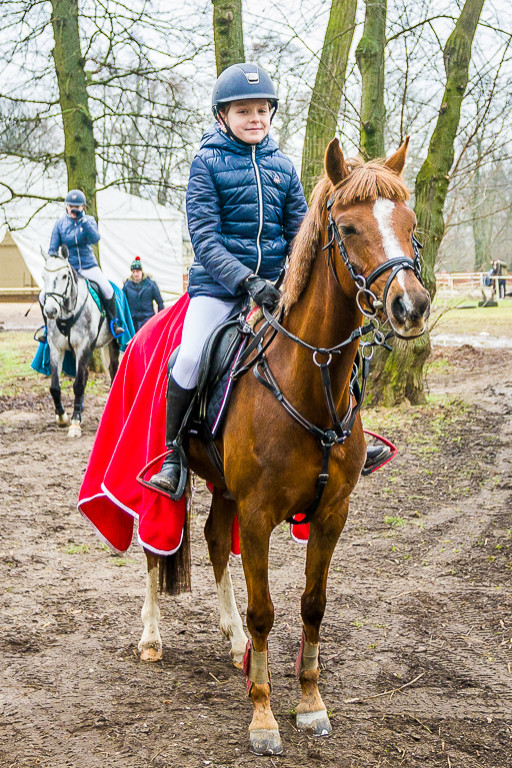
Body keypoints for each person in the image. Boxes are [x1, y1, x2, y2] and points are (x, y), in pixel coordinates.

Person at [148, 63, 390, 496]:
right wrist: (246, 281)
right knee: (189, 358)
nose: (254, 118)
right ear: (223, 116)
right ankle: (174, 454)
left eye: (261, 110)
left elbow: (303, 232)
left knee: (337, 344)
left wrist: (290, 280)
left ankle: (351, 432)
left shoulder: (282, 166)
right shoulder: (205, 163)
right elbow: (205, 238)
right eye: (243, 111)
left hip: (280, 288)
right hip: (219, 289)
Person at [38, 190, 124, 340]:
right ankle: (47, 329)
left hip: (88, 265)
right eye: (71, 206)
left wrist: (83, 222)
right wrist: (53, 262)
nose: (73, 209)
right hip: (69, 268)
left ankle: (114, 323)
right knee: (42, 296)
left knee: (107, 289)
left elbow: (95, 238)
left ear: (83, 207)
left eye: (77, 206)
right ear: (67, 206)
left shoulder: (89, 220)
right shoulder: (60, 224)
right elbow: (52, 249)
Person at [123, 256, 164, 332]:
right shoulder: (127, 286)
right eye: (133, 272)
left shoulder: (150, 285)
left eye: (137, 271)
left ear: (141, 271)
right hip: (133, 322)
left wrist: (159, 319)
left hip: (148, 320)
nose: (135, 274)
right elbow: (123, 304)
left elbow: (160, 302)